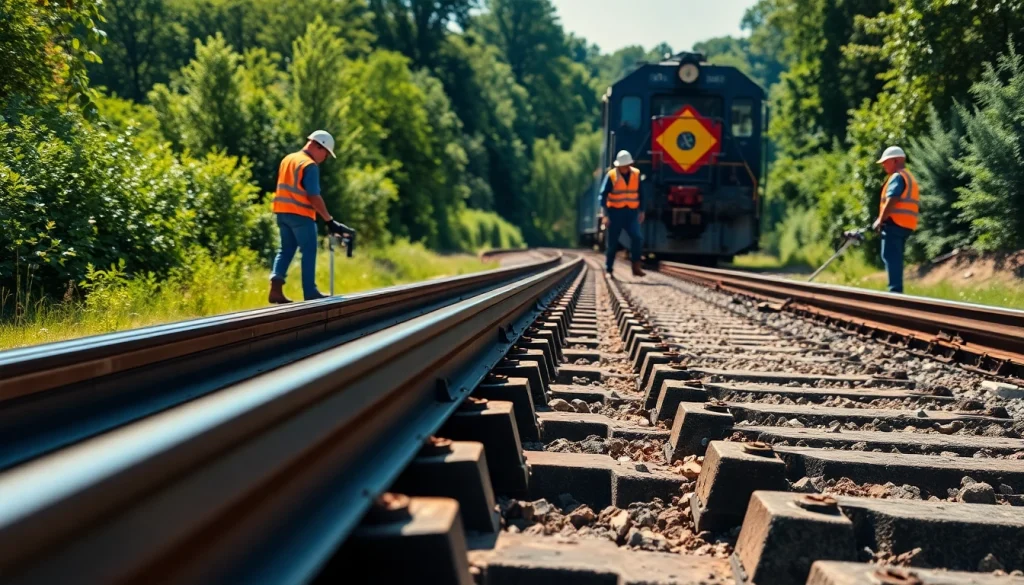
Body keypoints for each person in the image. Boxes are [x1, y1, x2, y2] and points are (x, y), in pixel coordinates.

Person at [268, 130, 351, 303]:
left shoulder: (288, 159)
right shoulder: (309, 165)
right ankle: (310, 291)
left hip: (282, 212)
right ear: (318, 146)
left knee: (285, 249)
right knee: (309, 250)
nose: (325, 158)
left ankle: (275, 289)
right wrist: (329, 219)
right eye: (326, 153)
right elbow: (314, 196)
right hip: (301, 214)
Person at [871, 145, 919, 294]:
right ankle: (895, 290)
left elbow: (893, 199)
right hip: (906, 224)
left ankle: (895, 292)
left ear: (896, 160)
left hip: (894, 223)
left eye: (886, 161)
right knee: (894, 256)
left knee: (890, 256)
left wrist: (880, 219)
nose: (883, 165)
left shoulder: (897, 177)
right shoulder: (909, 177)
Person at [600, 150, 646, 277]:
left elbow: (641, 194)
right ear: (618, 166)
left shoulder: (636, 175)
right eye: (622, 166)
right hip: (615, 214)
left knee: (637, 237)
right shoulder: (611, 176)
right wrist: (605, 214)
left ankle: (636, 267)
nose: (624, 168)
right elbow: (603, 195)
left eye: (626, 166)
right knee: (612, 243)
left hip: (631, 213)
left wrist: (642, 211)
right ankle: (609, 270)